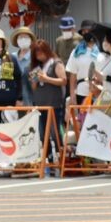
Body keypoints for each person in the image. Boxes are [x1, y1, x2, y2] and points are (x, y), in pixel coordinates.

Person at [28, 39, 66, 169]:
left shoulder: (56, 63)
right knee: (43, 133)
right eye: (36, 53)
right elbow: (34, 87)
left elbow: (63, 80)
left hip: (54, 104)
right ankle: (49, 157)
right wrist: (34, 80)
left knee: (55, 133)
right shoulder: (36, 67)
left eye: (41, 52)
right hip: (41, 104)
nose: (39, 55)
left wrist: (46, 79)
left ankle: (62, 157)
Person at [0, 28, 21, 123]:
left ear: (3, 42)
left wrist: (19, 99)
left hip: (9, 104)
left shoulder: (11, 58)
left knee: (8, 132)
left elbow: (19, 79)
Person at [65, 21, 100, 106]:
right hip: (82, 92)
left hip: (100, 92)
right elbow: (73, 76)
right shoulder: (76, 52)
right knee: (83, 118)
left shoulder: (102, 50)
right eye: (83, 32)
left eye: (88, 30)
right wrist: (72, 96)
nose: (86, 33)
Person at [10, 26, 35, 105]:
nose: (23, 39)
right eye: (20, 37)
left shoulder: (35, 57)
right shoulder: (11, 57)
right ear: (17, 41)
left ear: (31, 40)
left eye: (26, 37)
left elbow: (36, 79)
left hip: (31, 99)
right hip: (14, 100)